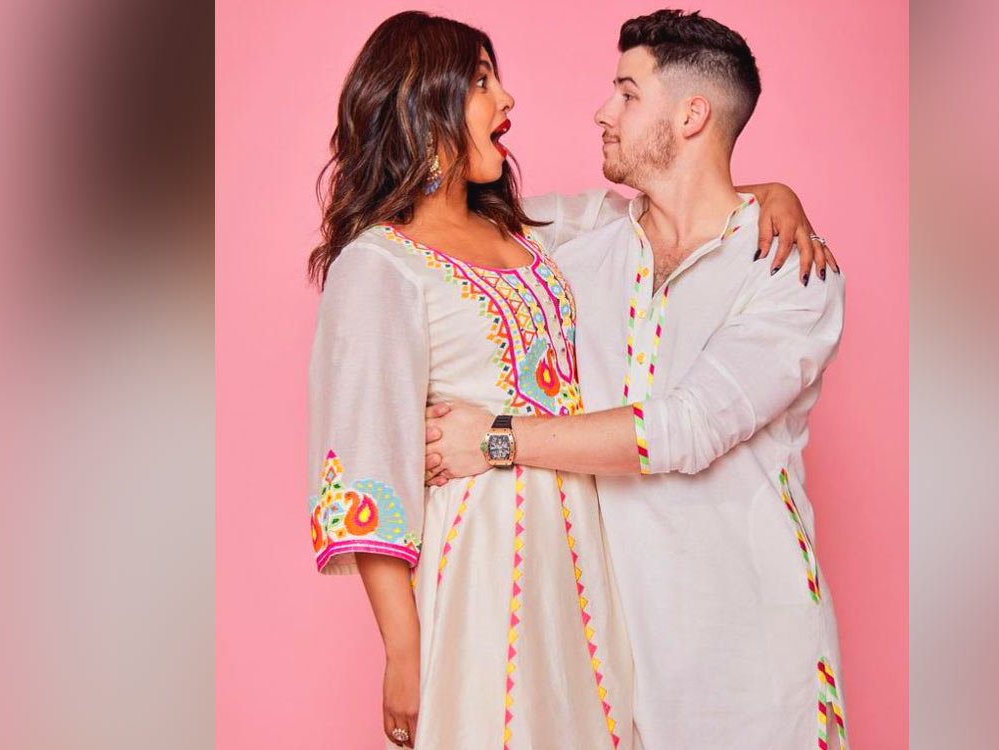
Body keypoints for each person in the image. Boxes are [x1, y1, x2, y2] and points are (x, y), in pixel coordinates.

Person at [306, 10, 833, 750]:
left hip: (642, 580)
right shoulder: (411, 259)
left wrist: (771, 192)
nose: (510, 99)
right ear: (425, 105)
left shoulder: (542, 235)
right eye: (483, 81)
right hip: (495, 562)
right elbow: (369, 461)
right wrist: (403, 649)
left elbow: (685, 413)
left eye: (626, 93)